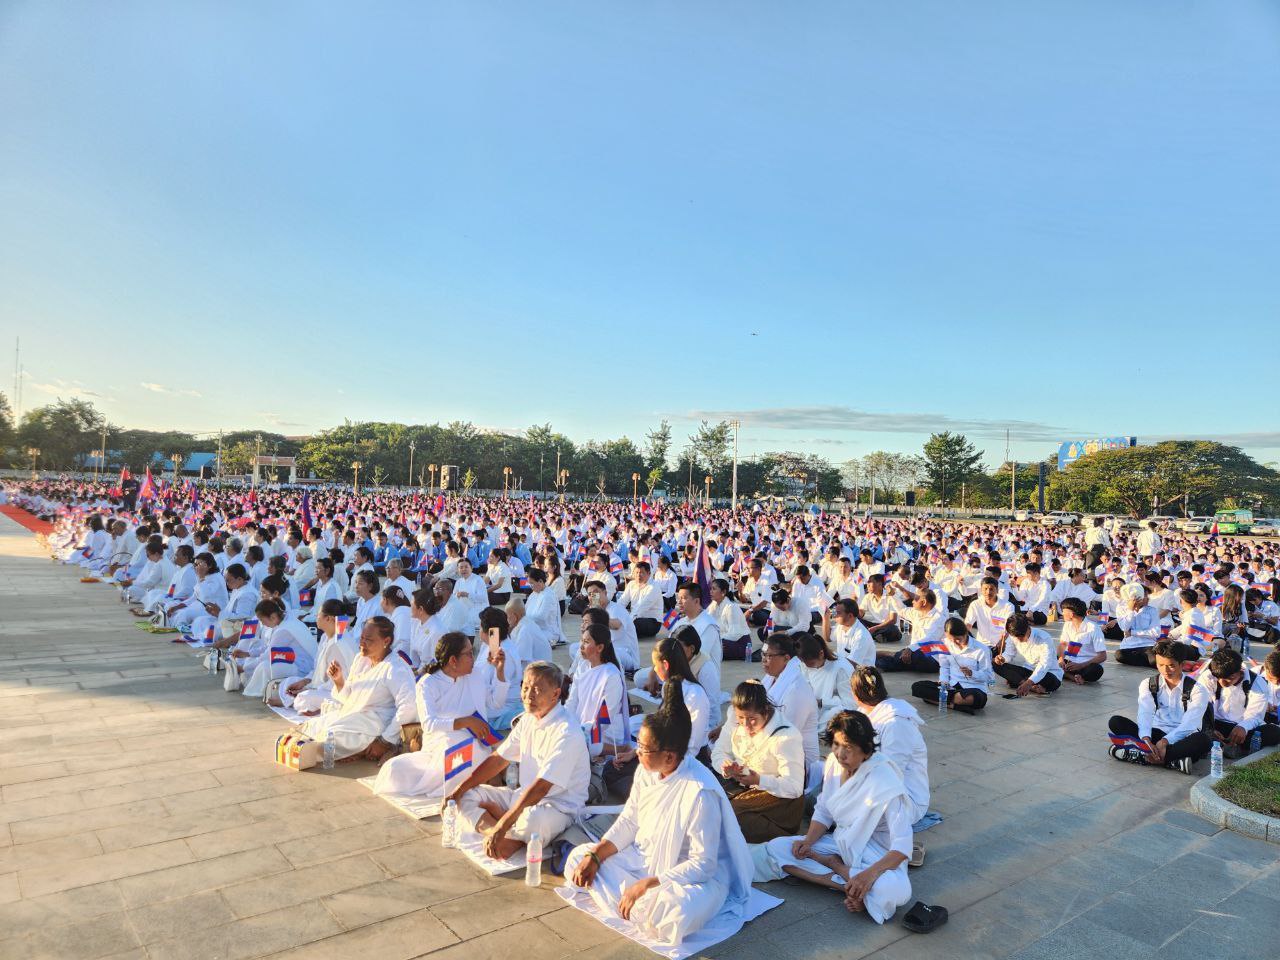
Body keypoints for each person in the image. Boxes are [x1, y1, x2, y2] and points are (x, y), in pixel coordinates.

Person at [565, 678, 756, 949]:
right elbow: (629, 821)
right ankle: (637, 906)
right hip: (643, 860)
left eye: (644, 749)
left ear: (669, 757)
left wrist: (651, 883)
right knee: (578, 858)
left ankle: (638, 903)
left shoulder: (700, 792)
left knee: (675, 912)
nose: (637, 752)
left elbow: (703, 865)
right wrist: (596, 856)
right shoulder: (646, 771)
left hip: (687, 879)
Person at [758, 711, 912, 923]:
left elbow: (902, 847)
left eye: (848, 747)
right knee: (778, 848)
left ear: (866, 748)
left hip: (877, 853)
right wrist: (807, 842)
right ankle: (852, 887)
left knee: (895, 891)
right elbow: (824, 810)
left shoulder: (885, 780)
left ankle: (844, 873)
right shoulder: (833, 763)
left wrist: (869, 875)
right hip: (841, 843)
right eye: (836, 745)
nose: (840, 754)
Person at [447, 661, 590, 861]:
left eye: (537, 690)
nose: (528, 695)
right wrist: (458, 790)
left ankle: (506, 830)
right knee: (466, 795)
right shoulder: (528, 719)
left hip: (556, 808)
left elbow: (541, 788)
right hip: (522, 797)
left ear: (555, 694)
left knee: (534, 821)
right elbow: (498, 760)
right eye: (525, 687)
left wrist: (504, 822)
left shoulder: (567, 732)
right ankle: (501, 835)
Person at [372, 631, 509, 800]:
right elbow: (429, 724)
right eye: (468, 654)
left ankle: (484, 777)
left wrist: (500, 671)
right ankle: (484, 777)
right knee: (393, 770)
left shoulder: (474, 675)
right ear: (453, 661)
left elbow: (496, 702)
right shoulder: (428, 684)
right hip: (441, 743)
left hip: (478, 740)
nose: (473, 658)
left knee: (486, 750)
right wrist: (466, 722)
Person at [299, 616, 417, 762]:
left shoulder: (395, 668)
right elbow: (350, 698)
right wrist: (339, 680)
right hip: (354, 716)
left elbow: (409, 707)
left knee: (326, 743)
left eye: (368, 640)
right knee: (311, 727)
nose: (362, 643)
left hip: (376, 726)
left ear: (386, 641)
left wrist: (385, 741)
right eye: (361, 638)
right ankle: (356, 750)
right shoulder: (361, 659)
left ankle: (363, 749)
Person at [710, 680, 806, 842]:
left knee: (730, 816)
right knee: (706, 801)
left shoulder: (786, 737)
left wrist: (760, 780)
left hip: (778, 799)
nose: (746, 725)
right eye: (741, 718)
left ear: (766, 711)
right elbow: (719, 752)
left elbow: (795, 787)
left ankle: (779, 835)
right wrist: (725, 766)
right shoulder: (734, 719)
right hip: (741, 785)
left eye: (752, 719)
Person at [1107, 640, 1212, 773]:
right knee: (1116, 722)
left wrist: (1165, 741)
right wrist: (1146, 739)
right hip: (1156, 733)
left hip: (1182, 737)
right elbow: (1145, 713)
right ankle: (1172, 760)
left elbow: (1190, 724)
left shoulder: (1198, 690)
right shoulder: (1149, 684)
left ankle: (1142, 755)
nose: (1165, 670)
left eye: (1171, 666)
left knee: (1203, 741)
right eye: (1160, 665)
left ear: (1182, 664)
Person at [849, 666, 929, 827]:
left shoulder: (896, 723)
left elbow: (892, 773)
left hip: (903, 799)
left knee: (840, 812)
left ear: (855, 695)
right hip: (870, 783)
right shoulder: (864, 712)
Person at [565, 622, 631, 763]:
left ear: (600, 647)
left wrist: (582, 732)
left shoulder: (611, 675)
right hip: (583, 727)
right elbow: (572, 701)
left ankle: (618, 749)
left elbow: (604, 718)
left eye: (586, 642)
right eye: (582, 641)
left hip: (604, 731)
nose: (581, 646)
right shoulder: (583, 666)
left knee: (578, 743)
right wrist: (566, 723)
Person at [279, 599, 359, 712]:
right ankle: (293, 700)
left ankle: (290, 701)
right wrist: (305, 681)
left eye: (318, 614)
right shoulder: (325, 637)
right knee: (288, 682)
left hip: (339, 693)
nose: (316, 617)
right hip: (322, 686)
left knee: (305, 697)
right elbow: (318, 669)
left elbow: (338, 682)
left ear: (328, 618)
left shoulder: (338, 644)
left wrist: (309, 689)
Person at [1198, 648, 1280, 753]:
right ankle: (1222, 744)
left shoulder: (1258, 683)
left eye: (1230, 678)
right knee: (1192, 724)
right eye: (1219, 678)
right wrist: (1209, 728)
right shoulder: (1208, 676)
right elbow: (1200, 705)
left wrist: (1243, 727)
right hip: (1214, 723)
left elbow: (1255, 716)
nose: (1223, 683)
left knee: (1274, 732)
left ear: (1240, 670)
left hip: (1241, 727)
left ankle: (1229, 745)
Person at [910, 616, 992, 713]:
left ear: (965, 633)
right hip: (952, 686)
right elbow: (944, 667)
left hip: (973, 688)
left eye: (958, 639)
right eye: (950, 639)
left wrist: (971, 673)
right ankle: (952, 705)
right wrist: (944, 682)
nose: (954, 642)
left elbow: (988, 676)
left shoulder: (981, 649)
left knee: (970, 698)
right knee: (917, 687)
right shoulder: (945, 644)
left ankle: (939, 700)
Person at [993, 613, 1063, 696]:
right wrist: (1003, 659)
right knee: (995, 664)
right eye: (1016, 637)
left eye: (1021, 636)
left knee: (1051, 681)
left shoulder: (1044, 638)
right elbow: (1009, 654)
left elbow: (1044, 665)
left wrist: (1029, 682)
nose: (1019, 640)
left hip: (1048, 673)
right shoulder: (1013, 635)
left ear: (1028, 628)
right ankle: (1031, 687)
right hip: (1028, 670)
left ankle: (1020, 682)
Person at [796, 632, 857, 726]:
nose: (807, 666)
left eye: (811, 664)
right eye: (803, 663)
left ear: (821, 654)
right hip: (814, 707)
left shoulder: (841, 668)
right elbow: (806, 684)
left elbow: (850, 704)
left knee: (835, 714)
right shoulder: (805, 663)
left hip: (831, 711)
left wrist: (821, 702)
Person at [1057, 597, 1107, 684]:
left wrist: (1081, 665)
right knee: (1051, 660)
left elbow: (1103, 656)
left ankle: (1066, 674)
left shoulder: (1093, 628)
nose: (1062, 613)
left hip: (1086, 665)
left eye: (1064, 611)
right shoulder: (1067, 625)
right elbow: (1062, 644)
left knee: (1097, 670)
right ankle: (1073, 677)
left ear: (1071, 614)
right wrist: (1061, 660)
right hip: (1070, 663)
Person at [1114, 583, 1162, 667]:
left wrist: (1132, 633)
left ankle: (1148, 661)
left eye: (1147, 595)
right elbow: (1124, 628)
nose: (1148, 598)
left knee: (1154, 661)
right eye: (1145, 595)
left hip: (1148, 645)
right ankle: (1147, 661)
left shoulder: (1152, 610)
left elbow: (1156, 633)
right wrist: (1131, 610)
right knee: (1119, 655)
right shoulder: (1121, 608)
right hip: (1128, 646)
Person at [822, 599, 875, 668]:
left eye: (838, 613)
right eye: (834, 612)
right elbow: (828, 638)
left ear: (850, 615)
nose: (834, 615)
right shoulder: (841, 625)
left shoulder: (861, 635)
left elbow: (853, 664)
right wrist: (825, 618)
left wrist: (829, 657)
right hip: (845, 665)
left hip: (860, 671)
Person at [620, 561, 664, 639]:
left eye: (641, 573)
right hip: (635, 617)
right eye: (636, 572)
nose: (638, 575)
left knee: (633, 623)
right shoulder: (631, 584)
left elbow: (641, 607)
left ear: (649, 573)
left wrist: (627, 622)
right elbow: (622, 601)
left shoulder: (654, 587)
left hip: (652, 622)